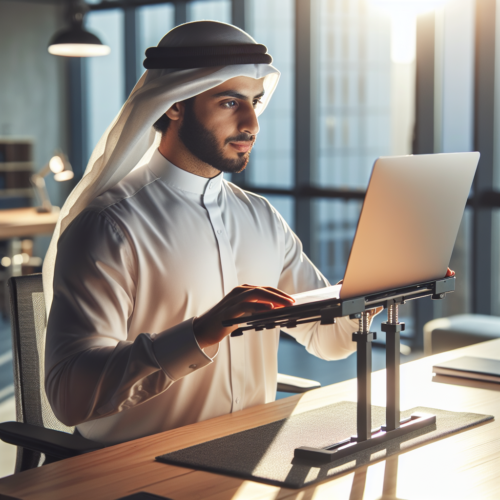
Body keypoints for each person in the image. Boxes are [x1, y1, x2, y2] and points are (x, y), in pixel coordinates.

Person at [43, 21, 435, 445]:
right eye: (230, 102)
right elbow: (69, 398)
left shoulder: (260, 217)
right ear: (174, 105)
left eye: (255, 102)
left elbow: (329, 339)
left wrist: (371, 290)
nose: (252, 122)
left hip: (252, 453)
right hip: (141, 467)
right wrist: (199, 334)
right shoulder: (108, 225)